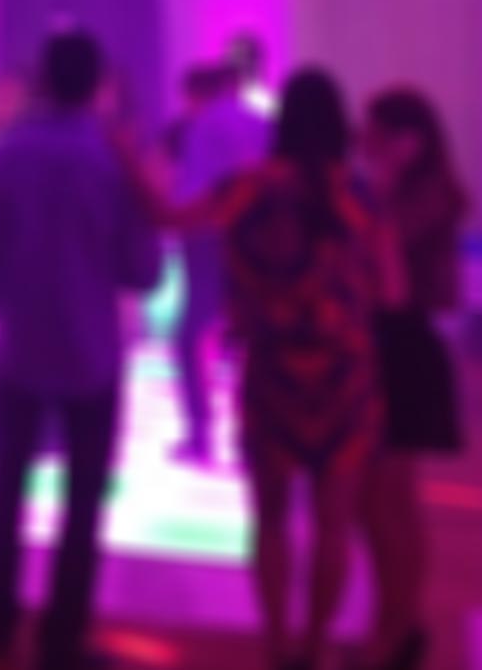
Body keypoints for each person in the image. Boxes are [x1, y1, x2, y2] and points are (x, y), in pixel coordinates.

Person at [121, 68, 396, 670]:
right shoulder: (359, 194)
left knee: (269, 521)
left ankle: (276, 645)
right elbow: (392, 289)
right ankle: (315, 645)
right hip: (345, 375)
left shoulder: (247, 186)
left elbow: (168, 217)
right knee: (333, 526)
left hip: (272, 370)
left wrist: (125, 157)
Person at [0, 30, 162, 670]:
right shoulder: (112, 161)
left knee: (6, 488)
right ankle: (61, 639)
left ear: (42, 81)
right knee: (82, 503)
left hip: (20, 343)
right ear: (98, 86)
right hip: (91, 349)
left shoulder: (5, 153)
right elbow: (143, 270)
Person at [356, 87, 468, 670]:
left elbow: (392, 275)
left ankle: (397, 628)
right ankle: (394, 623)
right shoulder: (406, 189)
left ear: (408, 140)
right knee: (381, 500)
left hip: (406, 348)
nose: (363, 140)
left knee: (389, 499)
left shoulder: (430, 195)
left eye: (374, 132)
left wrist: (380, 188)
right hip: (388, 345)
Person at [170, 62, 270, 464]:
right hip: (256, 236)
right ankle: (251, 437)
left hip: (207, 234)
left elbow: (194, 186)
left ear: (196, 95)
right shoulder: (262, 123)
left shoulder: (202, 125)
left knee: (190, 337)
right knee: (247, 338)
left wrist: (176, 223)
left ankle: (201, 434)